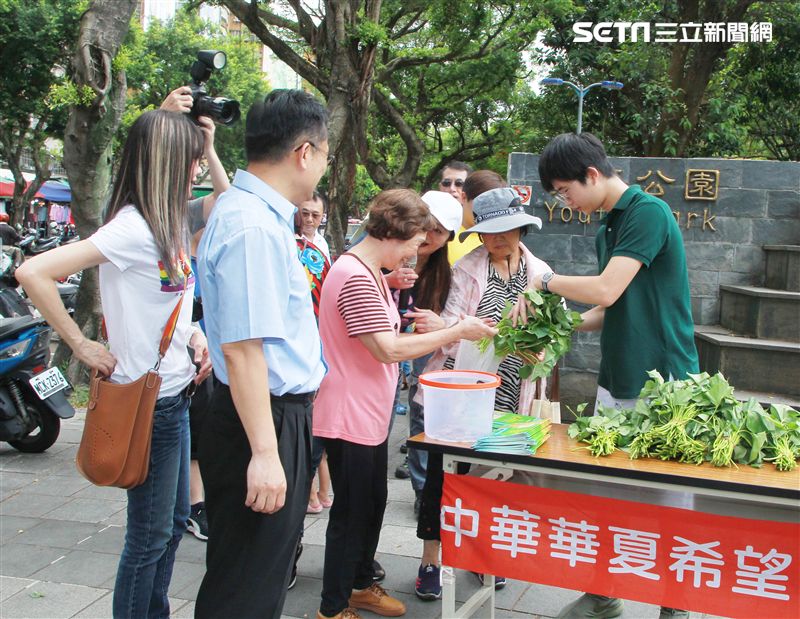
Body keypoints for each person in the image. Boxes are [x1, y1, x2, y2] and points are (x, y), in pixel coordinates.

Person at [16, 109, 213, 618]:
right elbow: (33, 271)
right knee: (148, 539)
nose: (198, 171)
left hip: (175, 394)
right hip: (148, 405)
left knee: (170, 528)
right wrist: (80, 345)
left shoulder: (167, 224)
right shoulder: (131, 228)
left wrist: (194, 334)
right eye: (191, 160)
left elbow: (168, 298)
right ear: (166, 163)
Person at [532, 132, 698, 619]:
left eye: (564, 190)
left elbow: (604, 289)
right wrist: (556, 327)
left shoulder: (647, 212)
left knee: (668, 499)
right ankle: (604, 595)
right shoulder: (609, 226)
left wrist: (541, 283)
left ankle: (677, 604)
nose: (566, 201)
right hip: (617, 373)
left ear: (591, 175)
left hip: (663, 378)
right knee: (605, 493)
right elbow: (610, 308)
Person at [313, 189, 497, 619]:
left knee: (371, 504)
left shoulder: (369, 270)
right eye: (417, 242)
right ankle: (331, 607)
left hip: (367, 413)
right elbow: (389, 349)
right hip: (349, 413)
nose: (418, 252)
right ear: (400, 232)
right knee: (352, 512)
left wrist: (391, 284)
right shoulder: (356, 275)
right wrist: (456, 331)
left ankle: (359, 584)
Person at [194, 89, 329, 619]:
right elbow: (246, 351)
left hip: (264, 413)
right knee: (247, 583)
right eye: (324, 153)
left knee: (251, 572)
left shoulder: (251, 211)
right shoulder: (252, 224)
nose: (322, 165)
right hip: (263, 418)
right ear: (303, 152)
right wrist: (267, 454)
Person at [414, 181, 553, 601]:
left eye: (507, 230)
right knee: (443, 479)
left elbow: (551, 338)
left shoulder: (542, 274)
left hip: (512, 393)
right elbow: (450, 329)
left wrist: (537, 352)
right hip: (459, 390)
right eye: (489, 231)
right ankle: (430, 560)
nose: (497, 239)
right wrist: (487, 336)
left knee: (496, 481)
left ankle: (485, 555)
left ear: (522, 230)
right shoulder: (467, 269)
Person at [161, 85, 231, 543]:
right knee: (152, 530)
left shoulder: (187, 212)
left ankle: (190, 505)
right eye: (187, 161)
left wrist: (209, 147)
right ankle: (189, 506)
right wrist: (163, 121)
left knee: (196, 431)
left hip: (192, 353)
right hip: (158, 369)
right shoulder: (142, 219)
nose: (194, 170)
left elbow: (227, 201)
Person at [393, 190, 463, 513]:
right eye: (428, 226)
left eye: (440, 231)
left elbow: (448, 318)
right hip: (381, 344)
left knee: (423, 412)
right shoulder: (389, 253)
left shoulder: (444, 273)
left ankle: (424, 493)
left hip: (421, 348)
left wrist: (438, 324)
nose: (430, 236)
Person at [439, 161, 480, 264]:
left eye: (459, 184)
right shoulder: (425, 225)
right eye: (446, 183)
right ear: (440, 187)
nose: (452, 189)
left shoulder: (482, 230)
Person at [299, 190, 331, 261]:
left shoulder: (322, 243)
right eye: (305, 213)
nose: (309, 219)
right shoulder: (291, 240)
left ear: (322, 217)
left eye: (315, 215)